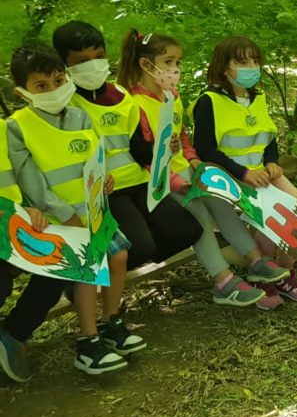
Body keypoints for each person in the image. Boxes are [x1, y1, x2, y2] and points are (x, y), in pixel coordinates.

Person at [119, 30, 283, 308]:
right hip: (162, 182)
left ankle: (256, 260)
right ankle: (223, 281)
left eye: (178, 63)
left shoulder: (171, 95)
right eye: (168, 62)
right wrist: (176, 182)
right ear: (147, 65)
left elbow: (182, 136)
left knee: (221, 204)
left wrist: (195, 162)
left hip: (188, 171)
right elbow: (145, 156)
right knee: (201, 218)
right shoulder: (134, 103)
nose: (175, 69)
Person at [6, 42, 142, 375]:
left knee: (119, 255)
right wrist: (65, 213)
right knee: (86, 268)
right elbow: (31, 181)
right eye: (41, 85)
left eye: (57, 80)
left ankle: (110, 323)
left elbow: (95, 159)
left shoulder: (80, 115)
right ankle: (88, 341)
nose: (52, 90)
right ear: (23, 92)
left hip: (91, 211)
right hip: (55, 221)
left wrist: (104, 181)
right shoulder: (18, 126)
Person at [52, 21, 202, 270]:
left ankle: (116, 270)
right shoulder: (66, 105)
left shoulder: (121, 95)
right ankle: (87, 280)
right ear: (64, 64)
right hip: (106, 192)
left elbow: (138, 147)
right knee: (141, 247)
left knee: (188, 230)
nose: (92, 64)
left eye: (98, 57)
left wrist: (162, 150)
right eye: (81, 61)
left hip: (140, 182)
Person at [192, 36, 297, 304]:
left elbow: (269, 138)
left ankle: (283, 274)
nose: (251, 66)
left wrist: (273, 162)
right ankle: (260, 277)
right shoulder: (209, 102)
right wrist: (243, 173)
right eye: (242, 61)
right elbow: (205, 150)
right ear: (224, 67)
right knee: (268, 219)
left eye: (254, 61)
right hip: (227, 177)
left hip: (261, 174)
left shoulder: (256, 98)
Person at [1, 95, 69, 382]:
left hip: (14, 226)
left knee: (59, 266)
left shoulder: (3, 129)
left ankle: (13, 335)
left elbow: (17, 178)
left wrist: (28, 208)